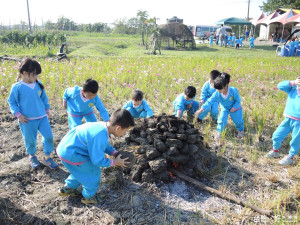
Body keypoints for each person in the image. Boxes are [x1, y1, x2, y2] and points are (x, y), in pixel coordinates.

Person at [57, 109, 134, 204]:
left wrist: (114, 153)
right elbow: (97, 161)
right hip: (73, 154)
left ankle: (68, 188)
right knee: (93, 173)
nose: (124, 134)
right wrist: (114, 162)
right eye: (125, 131)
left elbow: (104, 145)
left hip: (66, 149)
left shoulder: (103, 127)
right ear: (118, 128)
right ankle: (89, 197)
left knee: (80, 171)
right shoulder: (100, 135)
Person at [7, 58, 59, 169]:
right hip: (27, 119)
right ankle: (32, 156)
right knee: (30, 139)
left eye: (37, 75)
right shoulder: (17, 87)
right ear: (25, 74)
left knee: (49, 136)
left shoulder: (38, 84)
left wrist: (47, 110)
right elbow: (12, 102)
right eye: (34, 74)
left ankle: (47, 157)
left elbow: (44, 98)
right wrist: (18, 115)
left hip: (42, 117)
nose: (36, 77)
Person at [196, 73, 245, 143]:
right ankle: (220, 132)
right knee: (221, 120)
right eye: (217, 89)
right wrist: (202, 109)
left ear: (225, 86)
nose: (218, 91)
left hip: (235, 109)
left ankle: (240, 131)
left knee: (238, 120)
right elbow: (210, 101)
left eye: (219, 89)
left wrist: (234, 107)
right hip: (225, 108)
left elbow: (238, 101)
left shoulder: (233, 91)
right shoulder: (217, 93)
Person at [265, 77, 300, 166]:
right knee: (276, 135)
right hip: (288, 119)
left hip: (298, 122)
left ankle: (291, 157)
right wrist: (293, 82)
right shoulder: (292, 88)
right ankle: (275, 151)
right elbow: (280, 86)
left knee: (295, 140)